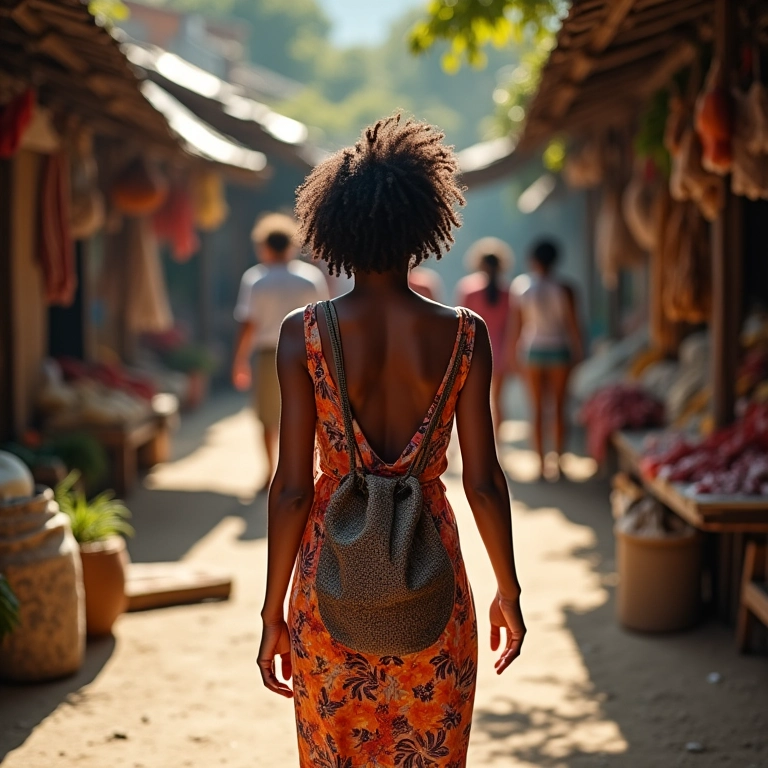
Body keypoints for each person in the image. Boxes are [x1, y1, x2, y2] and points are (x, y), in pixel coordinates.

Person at [257, 114, 525, 767]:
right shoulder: (466, 335)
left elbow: (291, 490)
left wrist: (272, 614)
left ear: (334, 229)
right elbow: (484, 482)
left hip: (329, 583)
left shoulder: (302, 334)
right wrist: (509, 591)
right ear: (423, 227)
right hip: (430, 581)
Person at [232, 213, 329, 491]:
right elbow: (323, 321)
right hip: (307, 353)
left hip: (268, 354)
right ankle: (306, 471)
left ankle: (270, 472)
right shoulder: (310, 278)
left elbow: (248, 325)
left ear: (264, 246)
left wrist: (239, 360)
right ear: (291, 245)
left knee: (268, 417)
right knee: (308, 413)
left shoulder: (255, 279)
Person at [508, 239, 583, 478]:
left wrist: (513, 356)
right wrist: (579, 353)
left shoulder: (522, 287)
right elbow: (573, 326)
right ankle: (558, 462)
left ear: (533, 260)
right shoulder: (566, 288)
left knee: (537, 409)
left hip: (532, 352)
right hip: (560, 350)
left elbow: (517, 327)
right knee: (559, 408)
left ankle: (541, 465)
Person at [455, 237, 514, 436]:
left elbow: (460, 325)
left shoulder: (468, 289)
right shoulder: (509, 292)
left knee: (472, 401)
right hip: (501, 352)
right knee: (498, 401)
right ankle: (497, 441)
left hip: (474, 353)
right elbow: (512, 327)